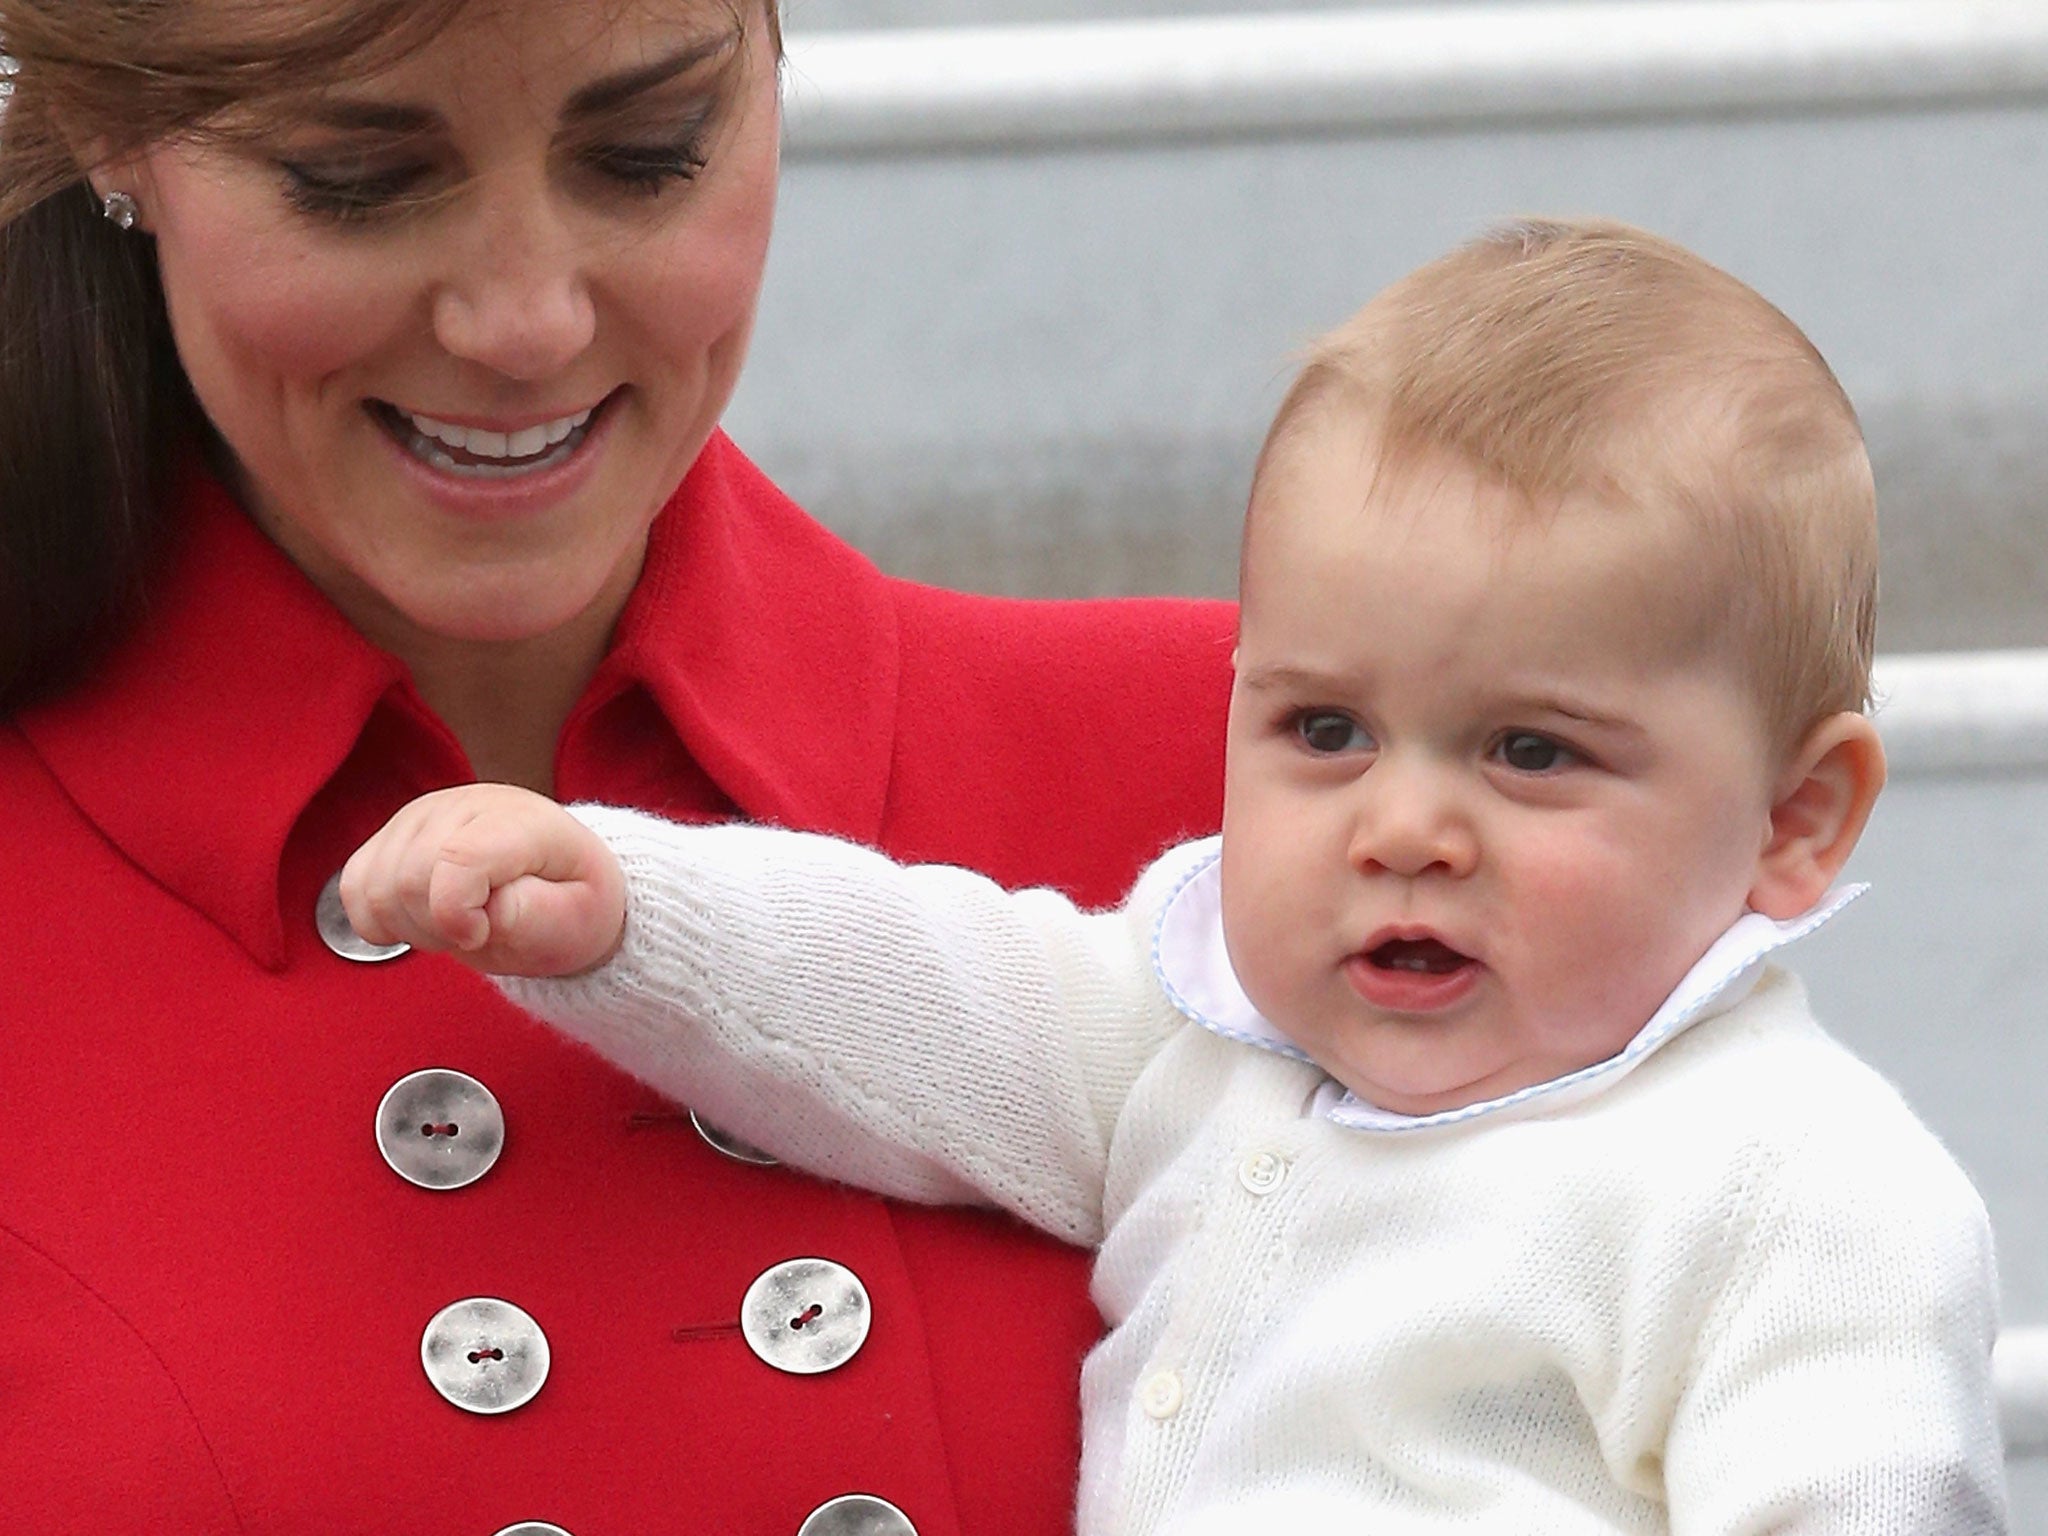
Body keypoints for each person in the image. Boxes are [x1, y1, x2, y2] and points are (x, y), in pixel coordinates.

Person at [345, 221, 2008, 1532]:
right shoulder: (1213, 1030)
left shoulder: (1793, 1181)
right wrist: (623, 912)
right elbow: (932, 997)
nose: (1404, 827)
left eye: (1531, 754)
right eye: (1329, 727)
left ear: (1796, 820)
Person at [0, 1, 1235, 1529]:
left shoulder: (1269, 795)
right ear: (101, 120)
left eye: (646, 155)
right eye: (358, 178)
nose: (526, 325)